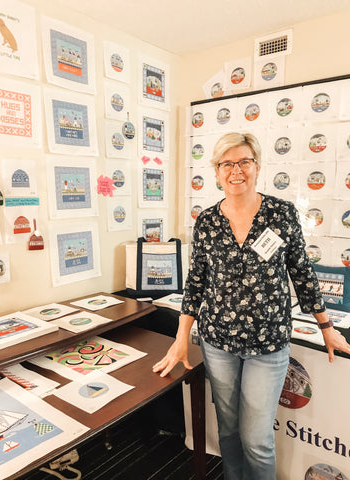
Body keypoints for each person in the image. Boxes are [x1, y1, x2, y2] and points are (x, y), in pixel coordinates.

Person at [153, 132, 350, 480]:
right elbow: (196, 282)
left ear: (257, 166)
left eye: (244, 161)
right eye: (226, 163)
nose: (236, 170)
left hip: (268, 343)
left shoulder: (281, 213)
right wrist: (182, 336)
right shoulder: (207, 222)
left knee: (257, 440)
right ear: (216, 172)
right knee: (228, 432)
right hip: (219, 343)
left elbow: (302, 273)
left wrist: (326, 327)